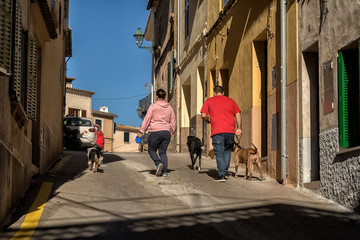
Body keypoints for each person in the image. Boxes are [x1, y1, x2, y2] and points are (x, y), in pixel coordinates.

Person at [200, 85, 242, 182]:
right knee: (227, 151)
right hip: (230, 131)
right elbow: (238, 114)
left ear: (214, 93)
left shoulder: (209, 101)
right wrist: (239, 128)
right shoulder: (231, 101)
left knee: (219, 152)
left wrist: (207, 121)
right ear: (223, 93)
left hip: (217, 131)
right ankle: (225, 172)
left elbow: (203, 115)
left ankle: (222, 174)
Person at [137, 89, 176, 177]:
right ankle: (165, 172)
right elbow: (173, 120)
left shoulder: (153, 107)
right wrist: (171, 131)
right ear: (165, 96)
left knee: (151, 150)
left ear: (156, 96)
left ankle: (158, 163)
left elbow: (147, 119)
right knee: (162, 152)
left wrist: (141, 131)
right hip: (166, 132)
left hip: (155, 132)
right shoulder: (169, 107)